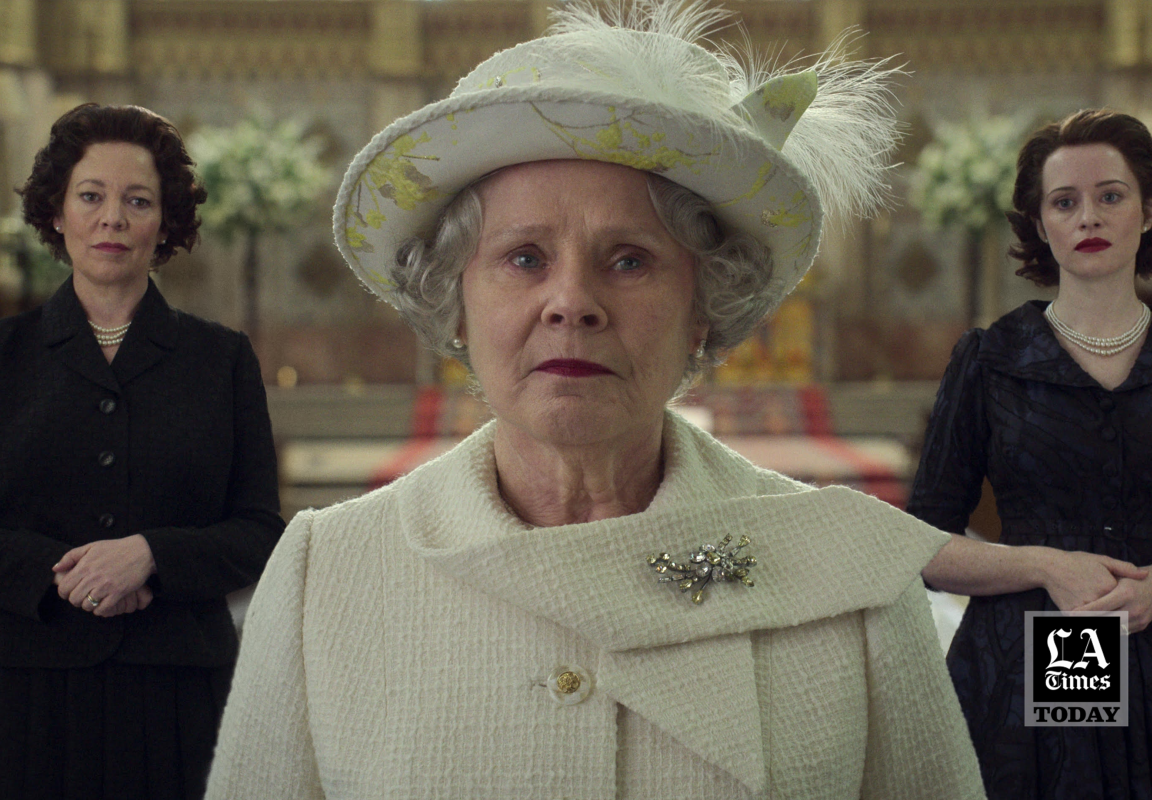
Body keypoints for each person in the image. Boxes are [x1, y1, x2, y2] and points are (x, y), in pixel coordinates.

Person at [205, 2, 984, 797]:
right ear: (457, 301)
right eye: (524, 257)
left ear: (703, 305)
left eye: (630, 260)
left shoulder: (855, 573)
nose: (571, 302)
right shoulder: (322, 575)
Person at [909, 108, 1152, 799]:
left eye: (1111, 195)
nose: (1088, 217)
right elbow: (920, 544)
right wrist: (1045, 566)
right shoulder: (990, 360)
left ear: (1150, 210)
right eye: (1064, 202)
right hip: (1020, 665)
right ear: (1040, 225)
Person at [0, 103, 285, 800]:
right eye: (91, 197)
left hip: (181, 692)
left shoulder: (221, 359)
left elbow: (259, 533)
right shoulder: (5, 355)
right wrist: (58, 572)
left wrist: (151, 555)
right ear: (57, 212)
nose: (113, 219)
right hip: (26, 691)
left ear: (166, 222)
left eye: (138, 201)